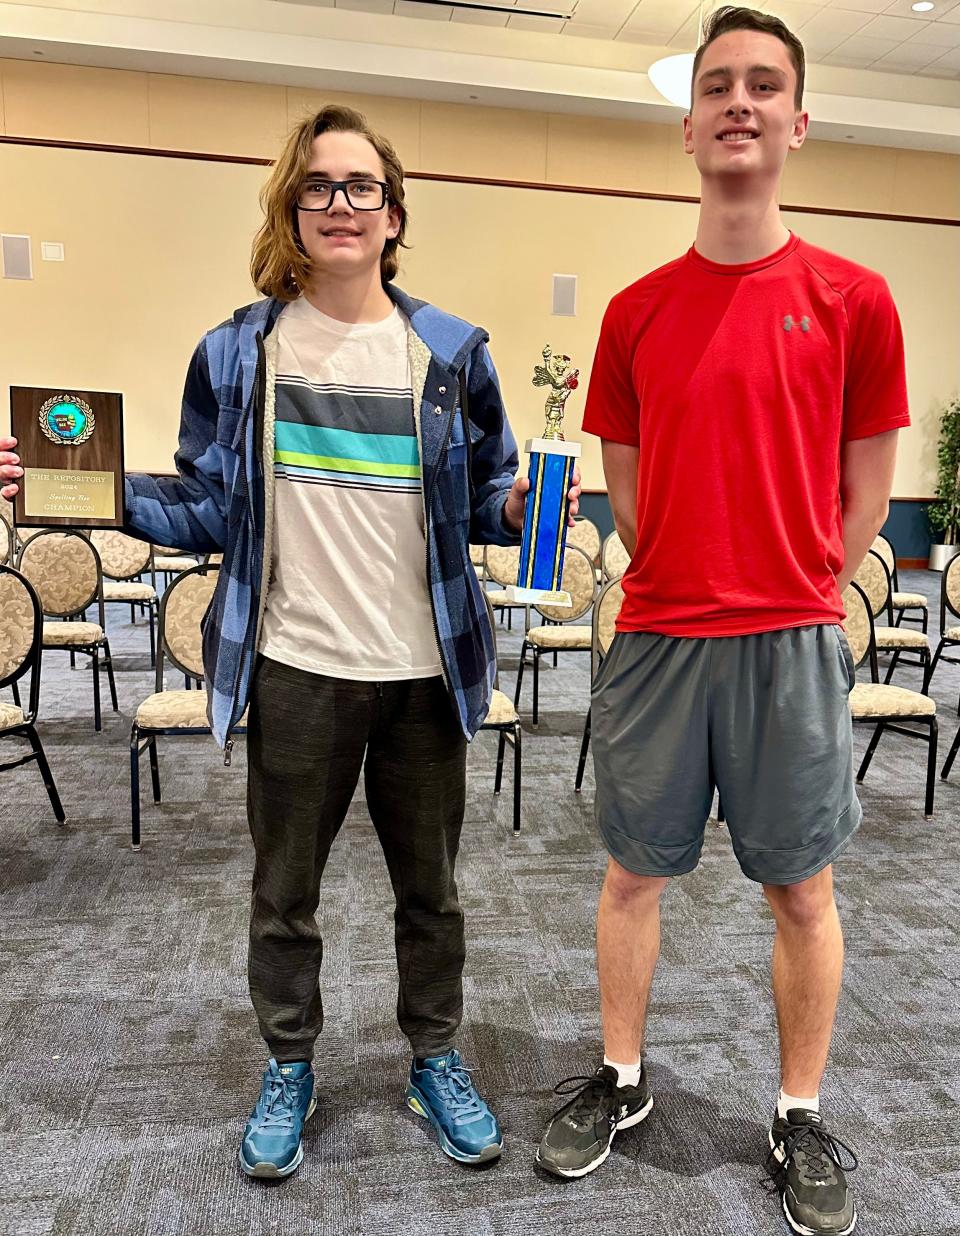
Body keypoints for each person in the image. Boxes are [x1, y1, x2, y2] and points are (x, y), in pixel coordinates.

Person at [1, 104, 580, 1178]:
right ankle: (289, 1063)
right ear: (291, 207)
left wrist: (516, 513)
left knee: (434, 894)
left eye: (362, 187)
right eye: (319, 186)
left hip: (423, 671)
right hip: (296, 666)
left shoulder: (449, 354)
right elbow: (210, 503)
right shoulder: (238, 351)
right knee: (284, 894)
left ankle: (434, 1059)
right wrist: (82, 489)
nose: (341, 204)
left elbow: (489, 490)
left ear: (393, 213)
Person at [535, 9, 908, 1234]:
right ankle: (626, 1081)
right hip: (660, 642)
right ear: (688, 125)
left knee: (802, 891)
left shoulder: (856, 299)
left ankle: (798, 1112)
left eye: (764, 86)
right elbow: (630, 494)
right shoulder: (637, 312)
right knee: (631, 874)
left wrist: (799, 584)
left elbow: (866, 489)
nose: (738, 103)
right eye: (717, 87)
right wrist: (697, 577)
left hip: (792, 645)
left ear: (798, 123)